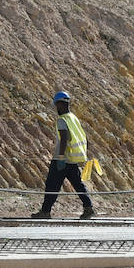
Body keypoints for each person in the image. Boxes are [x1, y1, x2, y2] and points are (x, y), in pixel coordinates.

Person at [31, 91, 95, 221]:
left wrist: (60, 157)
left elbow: (64, 138)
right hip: (72, 159)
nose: (56, 108)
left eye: (56, 105)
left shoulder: (62, 120)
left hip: (62, 158)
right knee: (78, 184)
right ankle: (89, 208)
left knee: (52, 185)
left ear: (60, 104)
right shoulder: (73, 118)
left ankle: (45, 211)